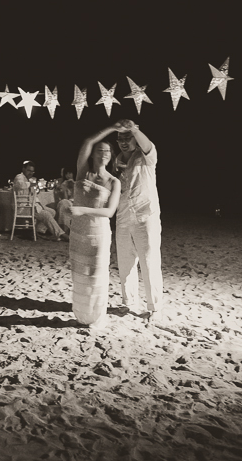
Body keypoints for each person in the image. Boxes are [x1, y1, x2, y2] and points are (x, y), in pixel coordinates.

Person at [69, 128, 121, 328]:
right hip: (78, 232)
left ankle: (96, 317)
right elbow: (87, 141)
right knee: (79, 274)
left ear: (111, 157)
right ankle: (81, 315)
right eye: (100, 150)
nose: (103, 153)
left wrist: (82, 210)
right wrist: (112, 128)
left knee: (95, 275)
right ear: (93, 153)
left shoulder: (113, 181)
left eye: (107, 151)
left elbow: (109, 212)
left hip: (97, 233)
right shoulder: (83, 172)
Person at [113, 119, 163, 324]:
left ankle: (155, 307)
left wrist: (133, 128)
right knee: (125, 263)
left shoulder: (146, 158)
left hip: (145, 215)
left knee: (149, 262)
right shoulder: (115, 161)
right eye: (121, 139)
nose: (124, 142)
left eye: (128, 138)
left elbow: (149, 145)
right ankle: (128, 301)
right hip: (123, 216)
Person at [12, 161, 67, 240]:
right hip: (23, 207)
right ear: (23, 169)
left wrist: (40, 205)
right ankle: (61, 234)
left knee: (52, 212)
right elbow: (21, 185)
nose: (30, 173)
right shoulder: (19, 177)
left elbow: (33, 195)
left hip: (31, 206)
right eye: (28, 170)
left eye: (32, 171)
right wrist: (32, 184)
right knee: (46, 215)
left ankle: (37, 231)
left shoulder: (29, 180)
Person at [54, 167, 75, 233]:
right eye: (66, 174)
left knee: (65, 204)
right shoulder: (63, 184)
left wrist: (74, 186)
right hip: (66, 202)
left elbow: (74, 197)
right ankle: (64, 229)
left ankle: (64, 230)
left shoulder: (76, 184)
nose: (68, 175)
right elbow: (65, 199)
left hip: (75, 203)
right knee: (64, 204)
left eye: (70, 173)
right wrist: (64, 188)